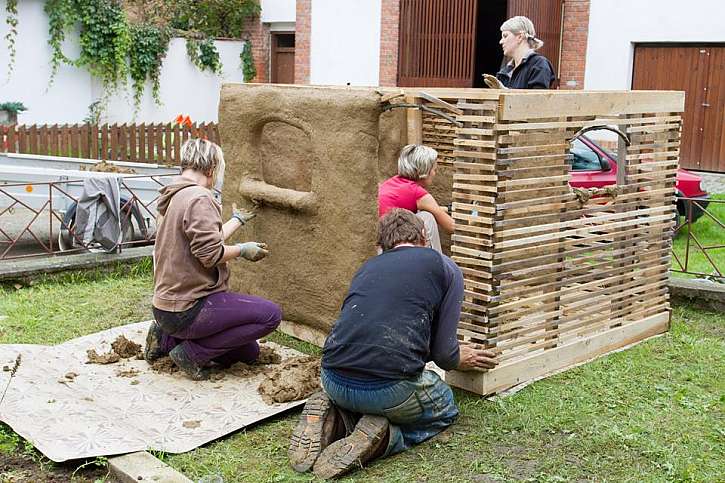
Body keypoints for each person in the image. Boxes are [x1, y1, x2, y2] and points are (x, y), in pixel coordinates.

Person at [288, 209, 497, 479]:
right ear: (424, 237)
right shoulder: (444, 267)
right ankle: (386, 437)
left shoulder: (366, 268)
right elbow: (444, 355)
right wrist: (459, 358)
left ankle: (339, 421)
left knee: (365, 392)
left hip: (332, 379)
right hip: (388, 390)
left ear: (381, 246)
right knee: (444, 407)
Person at [143, 138, 282, 381]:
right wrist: (242, 249)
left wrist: (236, 220)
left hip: (166, 307)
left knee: (249, 352)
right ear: (210, 169)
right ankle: (191, 353)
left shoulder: (174, 194)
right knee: (271, 315)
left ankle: (166, 339)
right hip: (188, 307)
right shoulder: (199, 198)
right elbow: (210, 255)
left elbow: (202, 241)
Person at [378, 144, 454, 253]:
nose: (434, 174)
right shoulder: (417, 192)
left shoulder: (393, 183)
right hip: (392, 247)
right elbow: (451, 227)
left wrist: (448, 209)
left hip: (379, 243)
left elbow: (431, 208)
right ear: (424, 171)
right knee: (427, 217)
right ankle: (437, 263)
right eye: (434, 170)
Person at [495, 16, 555, 89]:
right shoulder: (505, 71)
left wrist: (506, 93)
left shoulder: (539, 65)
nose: (501, 41)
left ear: (520, 37)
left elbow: (538, 99)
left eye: (505, 36)